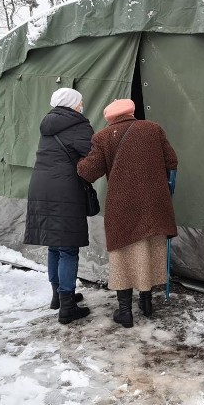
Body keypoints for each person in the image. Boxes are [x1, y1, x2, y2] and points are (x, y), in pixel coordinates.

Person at [77, 98, 178, 328]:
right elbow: (172, 160)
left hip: (123, 205)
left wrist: (77, 160)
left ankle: (125, 312)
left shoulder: (102, 137)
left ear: (109, 117)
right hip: (155, 203)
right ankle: (147, 303)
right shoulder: (153, 128)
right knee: (148, 250)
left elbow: (88, 172)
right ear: (131, 112)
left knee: (123, 254)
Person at [23, 87, 93, 324]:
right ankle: (67, 307)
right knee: (68, 248)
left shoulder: (48, 124)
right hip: (64, 190)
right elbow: (92, 155)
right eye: (80, 101)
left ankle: (58, 296)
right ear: (73, 104)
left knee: (54, 245)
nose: (82, 105)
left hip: (40, 186)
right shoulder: (78, 125)